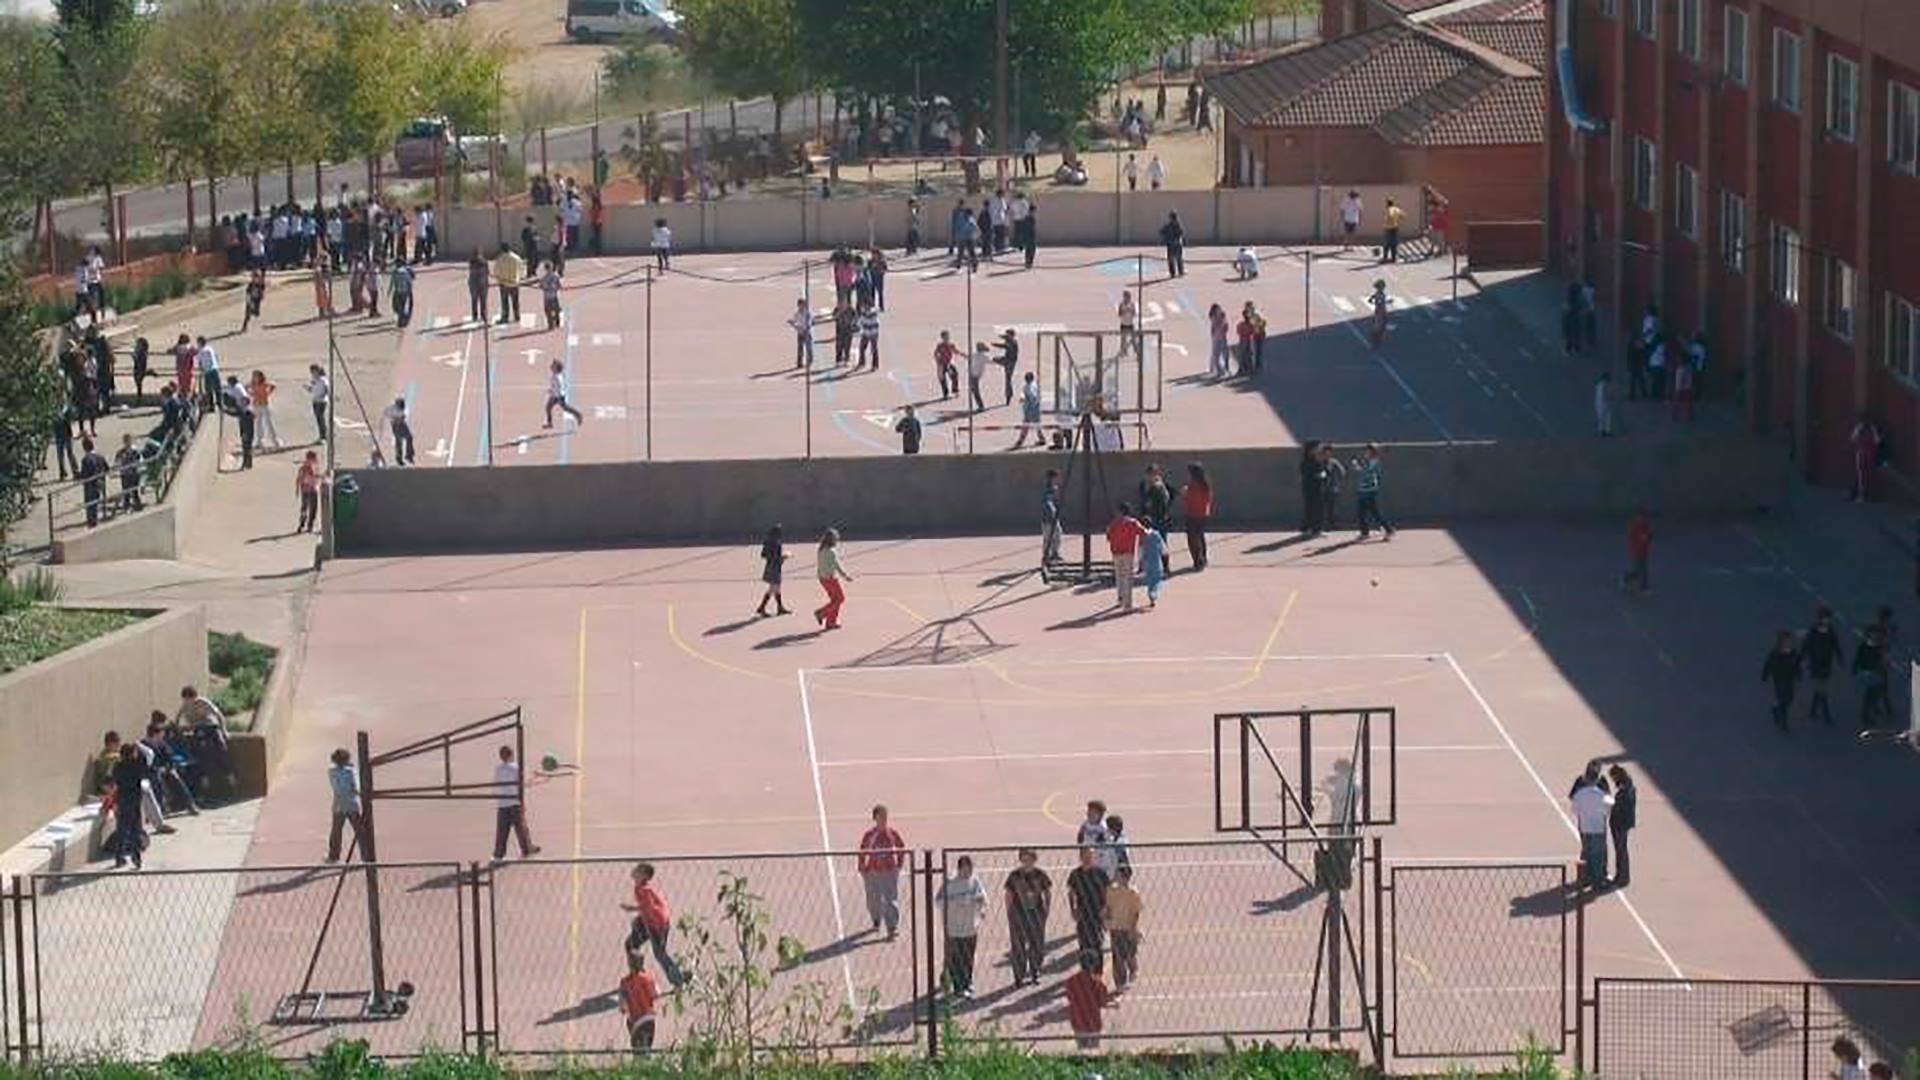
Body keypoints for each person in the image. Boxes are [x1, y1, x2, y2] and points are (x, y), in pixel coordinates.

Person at [624, 862, 689, 988]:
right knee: (631, 944)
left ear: (643, 876)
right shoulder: (641, 888)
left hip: (657, 925)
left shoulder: (644, 890)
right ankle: (637, 972)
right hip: (649, 922)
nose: (634, 871)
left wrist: (633, 911)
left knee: (660, 954)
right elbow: (648, 908)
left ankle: (678, 978)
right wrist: (639, 920)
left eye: (638, 870)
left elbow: (648, 908)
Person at [939, 855, 987, 999]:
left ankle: (967, 983)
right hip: (954, 928)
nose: (968, 872)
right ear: (959, 869)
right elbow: (939, 901)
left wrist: (981, 907)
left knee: (968, 957)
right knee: (955, 958)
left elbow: (983, 898)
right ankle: (957, 986)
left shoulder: (975, 881)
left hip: (970, 927)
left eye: (970, 869)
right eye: (965, 869)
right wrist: (956, 903)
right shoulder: (950, 882)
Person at [1003, 848, 1051, 987]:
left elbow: (1047, 892)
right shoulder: (1015, 876)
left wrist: (1046, 909)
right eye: (1024, 859)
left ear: (1034, 860)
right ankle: (1019, 976)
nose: (1026, 862)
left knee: (1037, 943)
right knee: (1018, 945)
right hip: (1019, 914)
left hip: (1036, 913)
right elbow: (1009, 894)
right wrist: (1009, 912)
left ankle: (1035, 971)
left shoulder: (1040, 875)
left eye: (1029, 859)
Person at [857, 805, 906, 939]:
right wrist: (862, 867)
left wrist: (899, 864)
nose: (884, 819)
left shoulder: (892, 833)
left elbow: (901, 847)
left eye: (885, 816)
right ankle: (876, 918)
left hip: (889, 871)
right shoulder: (870, 835)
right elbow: (862, 851)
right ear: (875, 818)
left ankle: (892, 927)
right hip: (873, 871)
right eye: (881, 816)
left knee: (890, 900)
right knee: (873, 899)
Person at [490, 745, 540, 861]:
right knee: (521, 828)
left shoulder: (498, 769)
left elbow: (495, 786)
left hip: (502, 803)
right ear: (511, 755)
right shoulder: (515, 768)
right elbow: (524, 783)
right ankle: (526, 849)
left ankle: (498, 854)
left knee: (502, 831)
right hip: (514, 802)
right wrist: (535, 778)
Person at [1066, 847, 1111, 970]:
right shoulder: (1075, 874)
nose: (1088, 859)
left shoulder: (1100, 873)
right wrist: (1073, 909)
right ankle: (1085, 970)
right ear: (1081, 857)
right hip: (1083, 912)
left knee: (1097, 942)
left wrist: (1106, 909)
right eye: (1085, 856)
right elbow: (1071, 893)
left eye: (1090, 856)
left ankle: (1097, 971)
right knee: (1083, 942)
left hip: (1097, 912)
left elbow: (1108, 893)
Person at [1569, 768, 1613, 890]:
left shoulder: (1580, 794)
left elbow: (1574, 810)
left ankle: (1585, 878)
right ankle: (1597, 881)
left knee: (1586, 852)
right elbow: (1608, 810)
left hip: (1584, 827)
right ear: (1597, 779)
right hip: (1598, 828)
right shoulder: (1602, 795)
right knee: (1598, 855)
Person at [1104, 865, 1143, 992]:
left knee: (1130, 954)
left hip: (1127, 927)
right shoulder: (1111, 891)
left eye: (1118, 874)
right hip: (1116, 928)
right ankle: (1120, 982)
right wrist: (1106, 919)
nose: (1115, 876)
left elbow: (1136, 912)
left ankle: (1133, 969)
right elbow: (1108, 907)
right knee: (1117, 956)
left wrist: (1133, 928)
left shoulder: (1132, 892)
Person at [1064, 950, 1113, 1051]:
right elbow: (1102, 1001)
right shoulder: (1096, 982)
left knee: (1081, 1048)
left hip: (1078, 1020)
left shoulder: (1071, 981)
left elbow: (1070, 997)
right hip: (1093, 1020)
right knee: (1094, 1049)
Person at [110, 744, 147, 870]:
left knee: (121, 829)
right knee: (135, 829)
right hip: (134, 800)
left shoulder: (118, 766)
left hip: (122, 800)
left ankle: (119, 857)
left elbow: (114, 781)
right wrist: (140, 748)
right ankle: (136, 857)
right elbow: (147, 761)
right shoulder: (137, 766)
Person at [1802, 607, 1842, 726]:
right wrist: (1801, 658)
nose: (1827, 620)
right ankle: (1825, 712)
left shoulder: (1830, 630)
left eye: (1828, 618)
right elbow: (1806, 645)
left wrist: (1839, 657)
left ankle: (1813, 709)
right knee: (1822, 688)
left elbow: (1835, 644)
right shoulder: (1813, 631)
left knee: (1820, 688)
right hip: (1815, 663)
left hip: (1826, 663)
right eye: (1825, 618)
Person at [1105, 504, 1148, 612]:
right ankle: (1127, 603)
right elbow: (1144, 532)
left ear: (1120, 512)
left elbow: (1108, 537)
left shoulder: (1114, 523)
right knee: (1127, 578)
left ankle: (1120, 598)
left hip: (1116, 552)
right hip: (1128, 552)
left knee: (1119, 576)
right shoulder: (1133, 523)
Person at [326, 747, 365, 862]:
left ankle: (333, 856)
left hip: (338, 804)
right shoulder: (351, 772)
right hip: (352, 804)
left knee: (336, 831)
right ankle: (366, 856)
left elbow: (336, 785)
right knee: (360, 832)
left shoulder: (332, 772)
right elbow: (356, 787)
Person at [618, 951, 659, 1052]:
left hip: (635, 1020)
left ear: (629, 963)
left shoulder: (625, 982)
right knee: (647, 1048)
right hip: (649, 1018)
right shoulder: (648, 978)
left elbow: (622, 1006)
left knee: (638, 1051)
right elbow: (656, 994)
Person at [1854, 623, 1893, 730]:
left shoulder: (1879, 646)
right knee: (1872, 693)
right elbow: (1860, 658)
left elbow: (1884, 658)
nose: (1876, 636)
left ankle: (1871, 711)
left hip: (1878, 672)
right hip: (1871, 672)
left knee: (1876, 692)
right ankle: (1867, 713)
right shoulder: (1867, 646)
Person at [1762, 631, 1802, 732]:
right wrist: (1765, 675)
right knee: (1782, 698)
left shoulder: (1793, 653)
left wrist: (1798, 674)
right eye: (1785, 641)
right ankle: (1784, 722)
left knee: (1789, 698)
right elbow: (1768, 664)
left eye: (1789, 641)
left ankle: (1776, 708)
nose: (1787, 643)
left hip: (1789, 678)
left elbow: (1796, 664)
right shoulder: (1775, 653)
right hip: (1779, 678)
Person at [1352, 443, 1395, 540]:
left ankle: (1389, 530)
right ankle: (1365, 532)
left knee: (1375, 512)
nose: (1366, 453)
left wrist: (1356, 465)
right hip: (1362, 490)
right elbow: (1361, 471)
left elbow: (1366, 471)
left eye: (1368, 451)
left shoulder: (1374, 462)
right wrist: (1358, 466)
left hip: (1370, 490)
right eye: (1366, 451)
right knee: (1361, 513)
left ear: (1373, 452)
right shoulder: (1366, 461)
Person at [814, 528, 853, 629]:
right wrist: (845, 576)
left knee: (835, 601)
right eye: (836, 538)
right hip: (830, 579)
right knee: (840, 599)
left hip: (823, 579)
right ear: (831, 539)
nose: (837, 540)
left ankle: (831, 622)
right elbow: (836, 566)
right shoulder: (831, 552)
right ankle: (821, 613)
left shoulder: (821, 550)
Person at [1606, 765, 1636, 888]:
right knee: (1621, 850)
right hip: (1623, 823)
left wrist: (1612, 804)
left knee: (1621, 851)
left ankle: (1622, 877)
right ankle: (1621, 876)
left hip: (1620, 823)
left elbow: (1622, 806)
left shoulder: (1625, 790)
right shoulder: (1628, 787)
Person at [756, 524, 790, 617]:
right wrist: (783, 557)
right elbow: (776, 557)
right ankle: (762, 607)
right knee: (773, 587)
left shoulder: (768, 542)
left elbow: (763, 555)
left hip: (770, 566)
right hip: (774, 567)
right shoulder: (776, 543)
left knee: (776, 588)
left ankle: (779, 607)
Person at [544, 359, 585, 430]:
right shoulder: (555, 375)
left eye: (553, 366)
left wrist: (555, 394)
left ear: (556, 368)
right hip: (554, 395)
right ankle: (549, 423)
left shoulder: (557, 377)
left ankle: (578, 415)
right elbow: (555, 386)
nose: (551, 366)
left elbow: (560, 387)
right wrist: (551, 390)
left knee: (565, 408)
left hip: (558, 396)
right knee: (548, 408)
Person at [77, 437, 109, 527]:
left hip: (91, 484)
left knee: (90, 503)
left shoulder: (86, 459)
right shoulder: (100, 456)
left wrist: (79, 476)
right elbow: (107, 468)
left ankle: (92, 521)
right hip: (101, 481)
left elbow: (85, 474)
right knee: (99, 500)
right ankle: (100, 516)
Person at [249, 371, 282, 451]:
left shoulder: (263, 384)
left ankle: (275, 441)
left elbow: (273, 385)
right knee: (258, 424)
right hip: (256, 405)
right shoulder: (252, 384)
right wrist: (250, 393)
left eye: (256, 376)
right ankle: (259, 441)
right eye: (254, 376)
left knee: (268, 423)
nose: (255, 378)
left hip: (264, 405)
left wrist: (268, 392)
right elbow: (246, 387)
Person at [493, 244, 525, 326]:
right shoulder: (516, 258)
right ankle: (517, 316)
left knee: (504, 302)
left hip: (504, 283)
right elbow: (522, 269)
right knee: (515, 301)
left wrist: (498, 279)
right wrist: (520, 278)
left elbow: (496, 271)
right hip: (514, 282)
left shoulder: (500, 259)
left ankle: (505, 317)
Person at [1623, 506, 1652, 594]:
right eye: (1640, 516)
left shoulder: (1645, 525)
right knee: (1639, 570)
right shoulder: (1634, 525)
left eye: (1643, 516)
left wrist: (1648, 537)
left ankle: (1642, 586)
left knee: (1642, 569)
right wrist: (1642, 538)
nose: (1642, 518)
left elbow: (1648, 536)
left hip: (1643, 550)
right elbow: (1632, 538)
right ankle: (1641, 587)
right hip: (1636, 551)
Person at [113, 434, 143, 514]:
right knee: (126, 491)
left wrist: (139, 468)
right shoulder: (121, 452)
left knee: (134, 490)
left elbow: (140, 460)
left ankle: (137, 505)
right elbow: (117, 462)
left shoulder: (135, 451)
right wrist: (118, 468)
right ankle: (127, 506)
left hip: (134, 473)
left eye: (128, 441)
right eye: (126, 441)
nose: (127, 443)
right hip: (125, 474)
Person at [295, 450, 323, 534]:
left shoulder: (303, 468)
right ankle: (306, 525)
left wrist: (297, 489)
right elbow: (314, 476)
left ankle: (303, 524)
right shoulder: (309, 468)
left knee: (306, 508)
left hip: (307, 490)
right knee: (311, 508)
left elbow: (299, 479)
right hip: (311, 490)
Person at [383, 396, 415, 466]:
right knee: (400, 441)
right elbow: (386, 413)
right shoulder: (394, 410)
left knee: (408, 438)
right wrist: (396, 418)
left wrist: (397, 418)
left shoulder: (398, 410)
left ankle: (408, 455)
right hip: (397, 427)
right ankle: (400, 458)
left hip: (400, 425)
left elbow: (400, 416)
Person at [1013, 373, 1043, 449]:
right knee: (1036, 425)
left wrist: (1026, 400)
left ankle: (1021, 440)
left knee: (1026, 425)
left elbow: (1032, 396)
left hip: (1030, 409)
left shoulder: (1029, 387)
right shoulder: (1033, 385)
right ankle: (1041, 438)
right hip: (1034, 409)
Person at [1041, 469, 1063, 565]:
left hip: (1054, 516)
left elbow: (1055, 501)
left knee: (1057, 534)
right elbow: (1047, 502)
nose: (1057, 479)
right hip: (1047, 517)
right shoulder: (1047, 489)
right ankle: (1047, 555)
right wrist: (1052, 511)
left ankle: (1054, 553)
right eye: (1055, 477)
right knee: (1048, 537)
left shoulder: (1055, 488)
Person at [305, 365, 331, 445]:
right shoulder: (314, 380)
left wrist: (326, 395)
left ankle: (324, 436)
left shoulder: (323, 379)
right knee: (318, 419)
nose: (312, 373)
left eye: (313, 371)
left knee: (321, 418)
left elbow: (327, 389)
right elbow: (312, 390)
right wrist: (307, 388)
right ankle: (322, 436)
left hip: (321, 401)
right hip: (315, 401)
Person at [993, 329, 1019, 404]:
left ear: (1011, 335)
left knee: (1008, 379)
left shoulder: (1013, 342)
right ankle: (1009, 394)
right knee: (995, 359)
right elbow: (1005, 338)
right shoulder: (1009, 340)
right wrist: (1001, 336)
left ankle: (1008, 396)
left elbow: (1006, 346)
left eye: (1008, 335)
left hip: (1010, 362)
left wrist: (996, 345)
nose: (1007, 336)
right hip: (1007, 359)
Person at [934, 330, 960, 399]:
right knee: (942, 379)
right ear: (942, 338)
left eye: (948, 336)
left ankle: (955, 390)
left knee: (954, 375)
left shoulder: (951, 345)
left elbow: (955, 351)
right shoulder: (940, 345)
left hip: (949, 363)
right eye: (945, 337)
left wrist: (963, 355)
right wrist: (938, 363)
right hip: (942, 364)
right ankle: (945, 393)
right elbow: (936, 354)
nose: (947, 338)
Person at [390, 260, 416, 329]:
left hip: (399, 291)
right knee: (402, 305)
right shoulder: (406, 271)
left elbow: (393, 282)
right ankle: (403, 320)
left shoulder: (396, 272)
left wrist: (390, 291)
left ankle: (402, 320)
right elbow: (410, 281)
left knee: (399, 306)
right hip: (404, 291)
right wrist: (410, 290)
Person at [1159, 211, 1185, 277]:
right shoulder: (1174, 225)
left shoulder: (1174, 225)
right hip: (1173, 244)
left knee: (1176, 259)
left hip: (1174, 244)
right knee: (1175, 259)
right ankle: (1176, 272)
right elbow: (1162, 231)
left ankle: (1177, 272)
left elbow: (1180, 233)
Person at [856, 301, 881, 371]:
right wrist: (858, 326)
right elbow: (860, 322)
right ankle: (862, 362)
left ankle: (875, 365)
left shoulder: (873, 314)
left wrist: (871, 332)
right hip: (866, 333)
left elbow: (876, 324)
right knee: (861, 348)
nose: (863, 307)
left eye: (865, 305)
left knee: (874, 349)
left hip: (873, 334)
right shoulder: (863, 313)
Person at [966, 340, 990, 412]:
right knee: (973, 389)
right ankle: (979, 405)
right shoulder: (983, 356)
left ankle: (981, 406)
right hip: (974, 374)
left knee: (975, 390)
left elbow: (968, 357)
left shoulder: (978, 356)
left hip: (974, 374)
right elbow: (991, 361)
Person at [466, 251, 490, 324]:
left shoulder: (472, 263)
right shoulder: (484, 263)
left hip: (474, 284)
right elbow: (487, 272)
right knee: (483, 301)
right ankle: (483, 315)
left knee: (475, 301)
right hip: (482, 284)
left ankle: (475, 316)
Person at [241, 268, 266, 333]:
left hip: (256, 300)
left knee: (256, 314)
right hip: (250, 300)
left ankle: (253, 312)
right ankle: (244, 327)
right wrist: (248, 300)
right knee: (248, 315)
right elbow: (248, 293)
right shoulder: (250, 285)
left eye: (258, 278)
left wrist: (262, 295)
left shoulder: (261, 285)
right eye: (254, 278)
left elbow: (262, 291)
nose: (256, 279)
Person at [1382, 197, 1404, 262]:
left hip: (1388, 228)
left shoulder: (1389, 209)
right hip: (1395, 227)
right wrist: (1397, 220)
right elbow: (1403, 215)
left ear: (1387, 203)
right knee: (1394, 243)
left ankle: (1385, 257)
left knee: (1387, 243)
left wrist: (1389, 221)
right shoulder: (1396, 209)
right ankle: (1393, 258)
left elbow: (1390, 215)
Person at [1595, 372, 1615, 436]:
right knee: (1602, 417)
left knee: (1606, 417)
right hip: (1602, 403)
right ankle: (1602, 430)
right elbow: (1603, 395)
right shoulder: (1601, 385)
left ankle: (1605, 430)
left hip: (1604, 403)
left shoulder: (1601, 385)